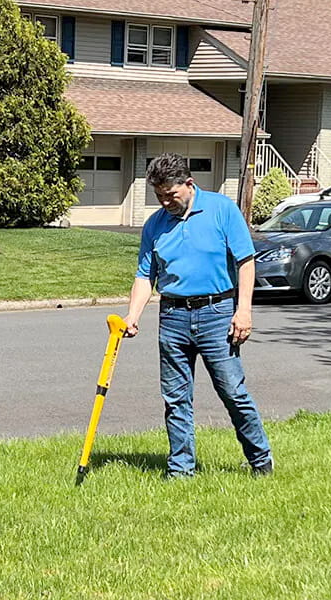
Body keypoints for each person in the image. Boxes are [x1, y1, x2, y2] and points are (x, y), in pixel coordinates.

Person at [125, 153, 273, 478]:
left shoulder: (221, 210)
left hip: (217, 313)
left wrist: (243, 311)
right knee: (176, 398)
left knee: (233, 391)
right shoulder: (154, 226)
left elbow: (246, 261)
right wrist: (132, 316)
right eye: (159, 196)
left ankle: (261, 461)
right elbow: (144, 276)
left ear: (189, 184)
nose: (165, 202)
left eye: (171, 194)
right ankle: (180, 469)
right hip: (173, 317)